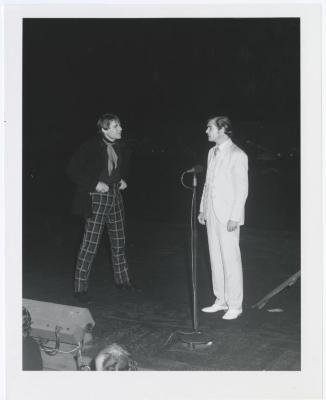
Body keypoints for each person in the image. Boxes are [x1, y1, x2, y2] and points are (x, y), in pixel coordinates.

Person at [67, 113, 135, 304]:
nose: (120, 129)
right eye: (115, 126)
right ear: (104, 129)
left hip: (115, 196)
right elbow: (72, 170)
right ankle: (80, 289)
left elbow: (123, 166)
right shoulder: (89, 146)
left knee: (119, 241)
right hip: (96, 198)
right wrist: (94, 184)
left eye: (119, 125)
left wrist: (123, 179)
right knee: (90, 244)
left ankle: (123, 282)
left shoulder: (122, 146)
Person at [198, 116, 248, 320]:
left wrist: (235, 217)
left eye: (209, 127)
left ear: (222, 129)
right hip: (212, 212)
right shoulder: (212, 152)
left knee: (230, 259)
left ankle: (235, 304)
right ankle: (221, 300)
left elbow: (242, 189)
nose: (206, 131)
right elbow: (208, 183)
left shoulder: (238, 154)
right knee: (215, 258)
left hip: (228, 216)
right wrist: (203, 208)